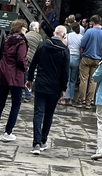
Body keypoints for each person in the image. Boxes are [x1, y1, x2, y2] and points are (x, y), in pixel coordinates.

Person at [27, 24, 69, 155]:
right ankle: (43, 139)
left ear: (54, 33)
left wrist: (30, 79)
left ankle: (36, 143)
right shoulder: (64, 50)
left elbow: (33, 63)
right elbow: (65, 72)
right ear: (63, 35)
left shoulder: (43, 45)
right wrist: (63, 88)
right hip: (54, 87)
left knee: (38, 113)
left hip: (41, 84)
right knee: (49, 114)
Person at [0, 19, 28, 141]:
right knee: (16, 104)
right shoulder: (21, 42)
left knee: (0, 103)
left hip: (3, 73)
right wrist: (25, 68)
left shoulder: (7, 39)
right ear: (21, 28)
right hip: (16, 75)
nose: (26, 30)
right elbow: (21, 59)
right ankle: (8, 132)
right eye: (25, 28)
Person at [76, 14, 102, 107]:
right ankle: (89, 102)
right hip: (97, 59)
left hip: (87, 57)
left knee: (83, 80)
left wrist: (82, 55)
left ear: (92, 22)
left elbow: (82, 45)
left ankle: (81, 100)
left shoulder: (89, 31)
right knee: (93, 81)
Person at [64, 19, 82, 105]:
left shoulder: (68, 35)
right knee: (73, 80)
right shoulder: (81, 37)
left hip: (69, 56)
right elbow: (81, 48)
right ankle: (71, 98)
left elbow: (65, 45)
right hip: (77, 57)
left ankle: (65, 97)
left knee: (67, 79)